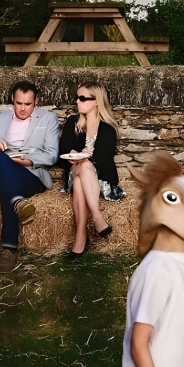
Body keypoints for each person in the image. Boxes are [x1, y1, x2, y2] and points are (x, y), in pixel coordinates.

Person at [0, 81, 59, 273]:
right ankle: (17, 203)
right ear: (12, 100)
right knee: (1, 159)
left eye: (28, 104)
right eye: (19, 103)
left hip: (31, 173)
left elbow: (52, 155)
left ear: (36, 101)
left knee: (7, 188)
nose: (23, 108)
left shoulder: (48, 118)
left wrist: (28, 161)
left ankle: (9, 248)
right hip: (3, 167)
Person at [59, 81, 126, 257]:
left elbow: (103, 160)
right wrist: (75, 155)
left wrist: (82, 158)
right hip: (75, 172)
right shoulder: (73, 122)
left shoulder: (108, 128)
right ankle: (97, 218)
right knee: (82, 168)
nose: (77, 101)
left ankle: (81, 235)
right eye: (77, 97)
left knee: (84, 170)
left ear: (96, 101)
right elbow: (63, 151)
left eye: (82, 98)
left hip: (100, 179)